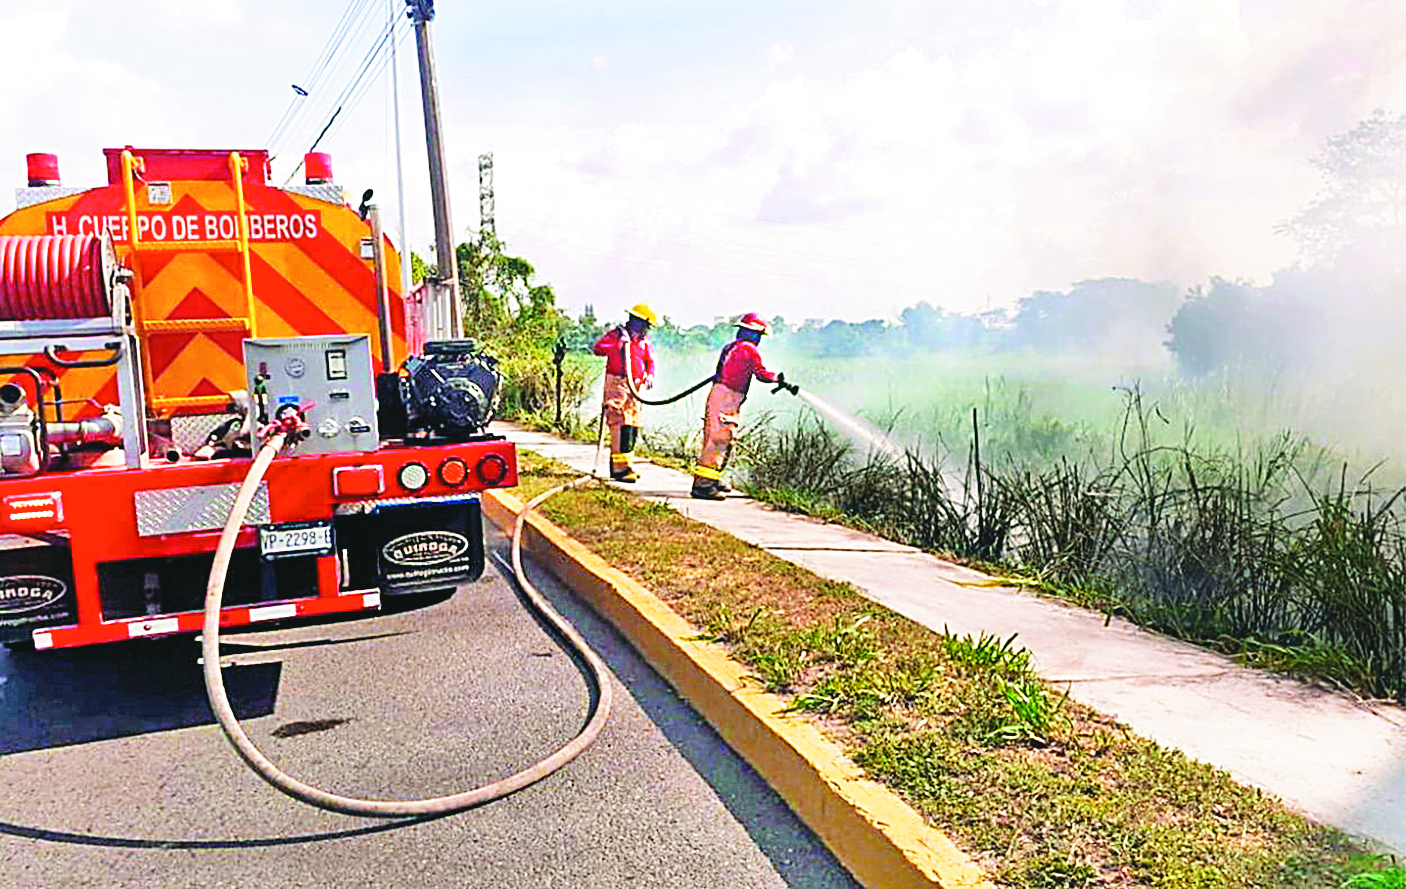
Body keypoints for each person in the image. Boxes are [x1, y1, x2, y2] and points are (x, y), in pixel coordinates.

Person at [691, 312, 798, 500]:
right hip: (727, 396)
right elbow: (761, 373)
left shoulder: (732, 347)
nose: (759, 340)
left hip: (720, 394)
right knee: (720, 439)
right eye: (759, 336)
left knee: (717, 438)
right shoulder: (749, 350)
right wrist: (776, 378)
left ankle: (712, 478)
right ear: (753, 333)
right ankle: (704, 486)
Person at [592, 303, 658, 482]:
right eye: (646, 325)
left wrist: (649, 375)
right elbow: (598, 349)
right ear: (637, 322)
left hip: (635, 388)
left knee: (632, 426)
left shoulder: (644, 342)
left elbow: (650, 361)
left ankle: (627, 465)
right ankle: (619, 469)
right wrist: (618, 344)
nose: (647, 330)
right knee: (619, 424)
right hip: (617, 384)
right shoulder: (616, 336)